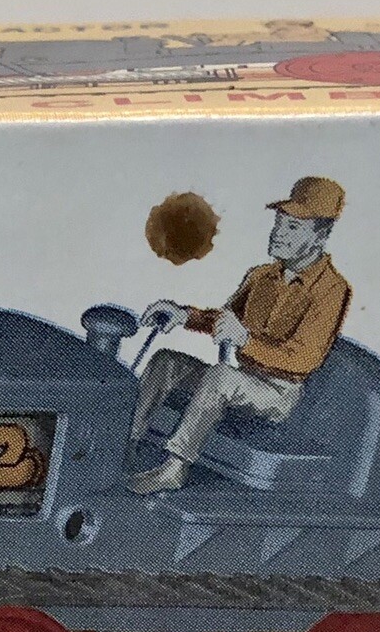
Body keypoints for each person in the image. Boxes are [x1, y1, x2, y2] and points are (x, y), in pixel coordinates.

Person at [129, 176, 352, 494]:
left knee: (221, 377)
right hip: (243, 380)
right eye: (279, 223)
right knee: (166, 362)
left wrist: (246, 340)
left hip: (280, 393)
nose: (278, 233)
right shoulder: (261, 276)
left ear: (321, 236)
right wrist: (184, 315)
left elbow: (305, 358)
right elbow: (225, 319)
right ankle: (126, 445)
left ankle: (175, 468)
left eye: (292, 227)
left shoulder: (332, 290)